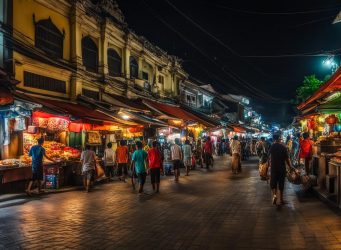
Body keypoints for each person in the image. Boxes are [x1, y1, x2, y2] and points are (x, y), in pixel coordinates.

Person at [268, 134, 293, 206]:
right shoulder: (283, 147)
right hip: (282, 168)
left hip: (273, 168)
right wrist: (290, 166)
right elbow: (287, 159)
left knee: (274, 182)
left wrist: (268, 166)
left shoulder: (272, 147)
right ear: (279, 139)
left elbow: (268, 157)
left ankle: (274, 196)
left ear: (273, 139)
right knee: (281, 183)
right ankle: (281, 199)